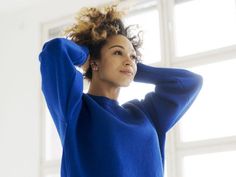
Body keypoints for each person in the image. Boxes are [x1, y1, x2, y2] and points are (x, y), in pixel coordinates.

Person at [39, 3, 203, 177]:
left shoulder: (146, 114)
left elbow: (190, 82)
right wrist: (87, 54)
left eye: (133, 56)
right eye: (117, 52)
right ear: (95, 62)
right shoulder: (75, 110)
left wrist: (135, 70)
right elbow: (54, 51)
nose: (128, 60)